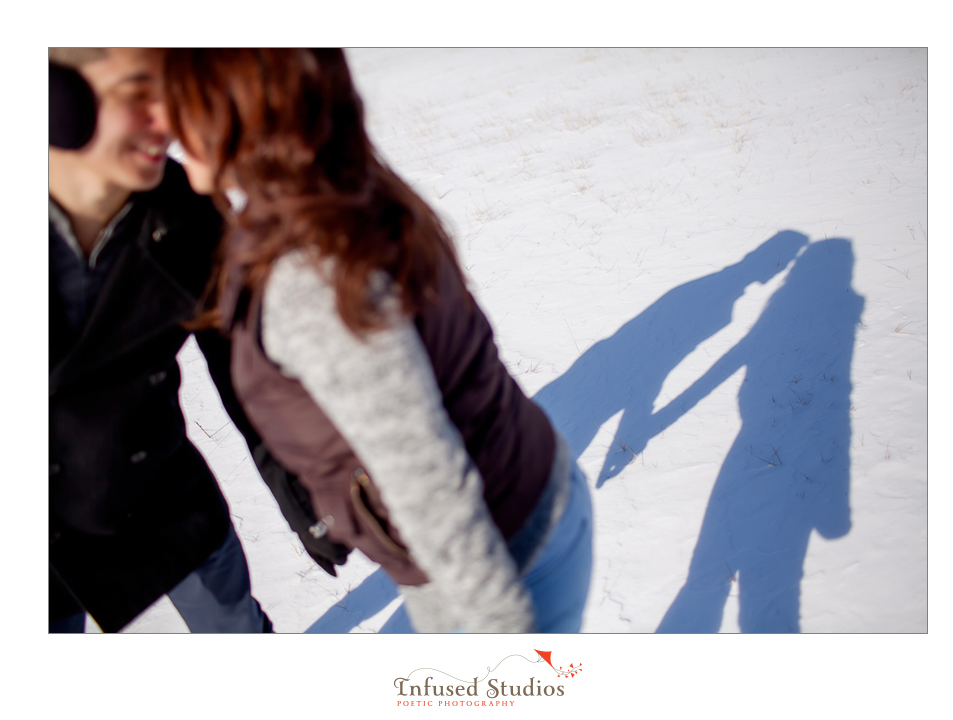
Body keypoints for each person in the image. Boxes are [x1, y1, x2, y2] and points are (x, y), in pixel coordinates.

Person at [162, 48, 594, 632]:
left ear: (235, 115)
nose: (164, 123)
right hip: (523, 500)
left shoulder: (309, 276)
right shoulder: (334, 184)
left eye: (181, 105)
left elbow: (432, 488)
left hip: (497, 560)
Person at [48, 48, 348, 633]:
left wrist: (302, 487)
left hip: (160, 494)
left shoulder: (185, 213)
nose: (168, 121)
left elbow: (245, 365)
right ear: (61, 100)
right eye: (138, 94)